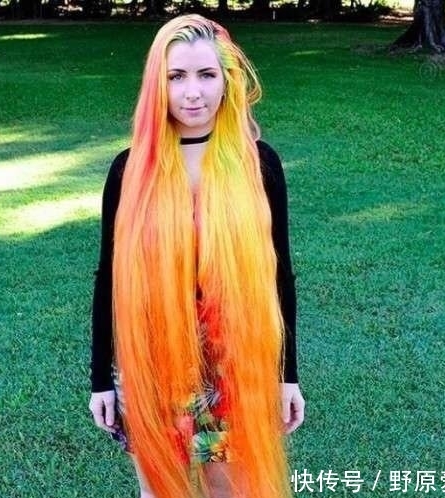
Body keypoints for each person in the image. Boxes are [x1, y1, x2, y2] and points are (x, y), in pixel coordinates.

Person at [89, 14, 304, 498]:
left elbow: (280, 277)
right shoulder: (130, 172)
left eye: (206, 75)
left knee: (225, 487)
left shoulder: (257, 165)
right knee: (160, 489)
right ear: (157, 84)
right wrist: (102, 379)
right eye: (176, 76)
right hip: (150, 364)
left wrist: (286, 376)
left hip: (231, 365)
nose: (192, 93)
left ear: (227, 80)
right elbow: (109, 279)